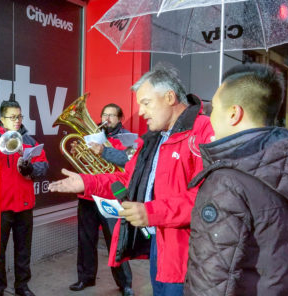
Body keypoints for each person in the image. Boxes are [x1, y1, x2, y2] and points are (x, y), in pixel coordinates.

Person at [49, 63, 214, 296]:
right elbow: (127, 179)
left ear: (169, 97)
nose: (141, 111)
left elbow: (208, 198)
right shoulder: (152, 139)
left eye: (146, 103)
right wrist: (86, 183)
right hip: (161, 245)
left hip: (191, 253)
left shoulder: (204, 131)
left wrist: (151, 212)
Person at [184, 63, 288, 295]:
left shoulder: (226, 182)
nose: (209, 117)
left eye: (213, 109)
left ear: (233, 114)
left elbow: (211, 281)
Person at [0, 99, 48, 296]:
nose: (17, 120)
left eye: (20, 116)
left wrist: (31, 168)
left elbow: (44, 166)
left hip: (24, 206)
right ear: (2, 118)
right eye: (12, 117)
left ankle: (21, 287)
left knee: (24, 251)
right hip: (1, 208)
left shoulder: (30, 141)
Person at [69, 103, 134, 296]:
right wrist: (78, 152)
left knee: (115, 239)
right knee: (85, 238)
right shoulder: (90, 134)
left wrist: (103, 151)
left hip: (110, 195)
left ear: (120, 118)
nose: (107, 119)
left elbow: (128, 160)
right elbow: (82, 162)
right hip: (88, 194)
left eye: (112, 116)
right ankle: (85, 278)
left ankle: (125, 283)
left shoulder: (128, 139)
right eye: (104, 114)